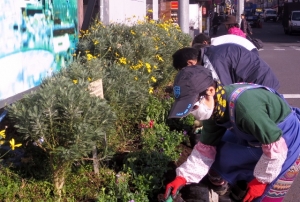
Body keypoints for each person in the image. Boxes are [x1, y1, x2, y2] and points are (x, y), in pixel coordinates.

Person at [164, 66, 300, 202]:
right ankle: (226, 186)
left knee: (266, 195)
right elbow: (206, 147)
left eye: (194, 107)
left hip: (285, 140)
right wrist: (183, 176)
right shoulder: (217, 106)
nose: (194, 114)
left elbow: (276, 147)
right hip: (259, 136)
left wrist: (261, 182)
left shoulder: (246, 108)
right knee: (220, 155)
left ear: (210, 91)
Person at [172, 45, 279, 91]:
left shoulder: (213, 62)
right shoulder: (210, 53)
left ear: (190, 63)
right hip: (259, 79)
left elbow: (223, 90)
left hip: (261, 83)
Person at [192, 33, 258, 54]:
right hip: (249, 49)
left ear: (204, 42)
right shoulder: (217, 40)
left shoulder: (215, 44)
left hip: (249, 50)